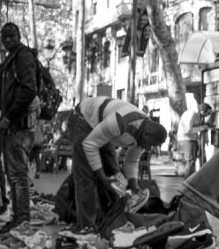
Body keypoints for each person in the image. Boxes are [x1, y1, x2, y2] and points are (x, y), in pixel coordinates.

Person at [70, 96, 167, 232]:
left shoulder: (146, 134)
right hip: (84, 118)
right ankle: (86, 228)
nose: (150, 149)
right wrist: (102, 176)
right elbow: (90, 144)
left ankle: (111, 221)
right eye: (151, 145)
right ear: (146, 135)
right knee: (86, 177)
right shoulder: (120, 121)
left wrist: (134, 185)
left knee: (113, 175)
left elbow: (132, 160)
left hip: (103, 124)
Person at [0, 22, 39, 228]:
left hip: (19, 126)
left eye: (11, 36)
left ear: (19, 35)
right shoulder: (9, 59)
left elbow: (29, 89)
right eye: (4, 37)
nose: (7, 40)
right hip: (9, 126)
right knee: (12, 173)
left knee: (19, 175)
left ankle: (23, 219)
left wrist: (9, 116)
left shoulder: (23, 56)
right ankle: (16, 217)